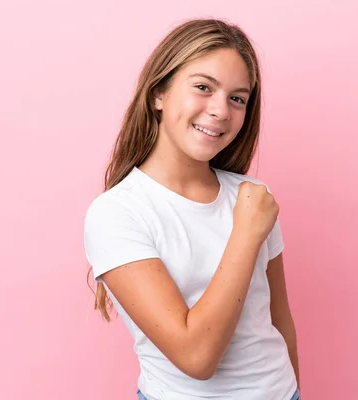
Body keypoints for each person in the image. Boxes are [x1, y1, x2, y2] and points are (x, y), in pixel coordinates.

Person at [83, 18, 301, 400]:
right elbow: (197, 357)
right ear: (158, 94)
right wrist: (246, 234)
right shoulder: (118, 213)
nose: (220, 111)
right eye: (203, 87)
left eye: (238, 98)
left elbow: (278, 321)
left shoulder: (254, 197)